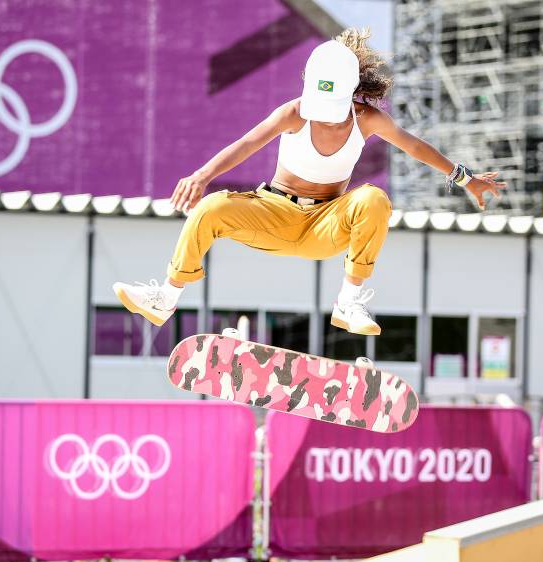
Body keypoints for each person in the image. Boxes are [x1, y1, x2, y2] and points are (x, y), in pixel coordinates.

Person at [114, 28, 505, 336]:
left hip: (326, 226)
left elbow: (415, 147)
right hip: (274, 213)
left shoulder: (367, 119)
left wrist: (464, 178)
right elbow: (247, 144)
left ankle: (348, 302)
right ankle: (166, 297)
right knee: (211, 208)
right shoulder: (294, 112)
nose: (327, 119)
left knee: (372, 198)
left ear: (352, 93)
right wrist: (202, 176)